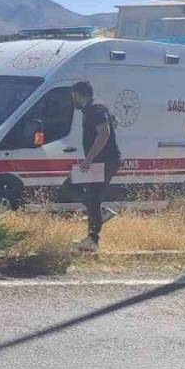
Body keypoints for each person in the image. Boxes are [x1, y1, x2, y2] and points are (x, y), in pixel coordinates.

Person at [63, 80, 121, 251]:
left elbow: (104, 133)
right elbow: (114, 122)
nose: (72, 100)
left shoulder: (95, 108)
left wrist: (88, 159)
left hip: (103, 161)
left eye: (72, 96)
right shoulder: (95, 107)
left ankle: (92, 240)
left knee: (92, 196)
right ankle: (99, 213)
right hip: (98, 161)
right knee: (70, 186)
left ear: (77, 94)